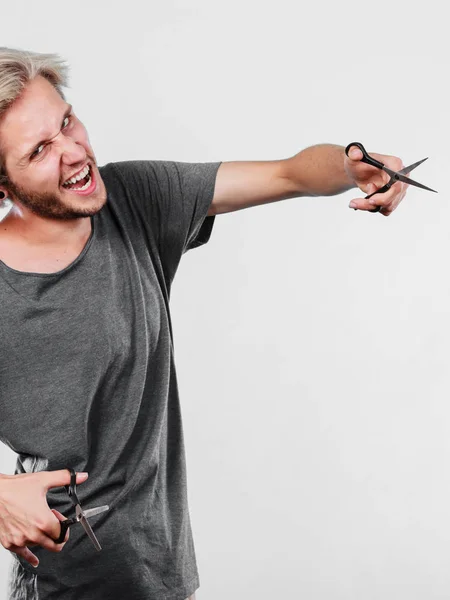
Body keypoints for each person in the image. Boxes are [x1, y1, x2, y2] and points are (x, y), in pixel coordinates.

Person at [0, 47, 408, 600]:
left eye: (67, 121)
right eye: (40, 149)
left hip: (161, 573)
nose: (73, 152)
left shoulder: (135, 200)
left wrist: (352, 165)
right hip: (63, 583)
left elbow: (290, 173)